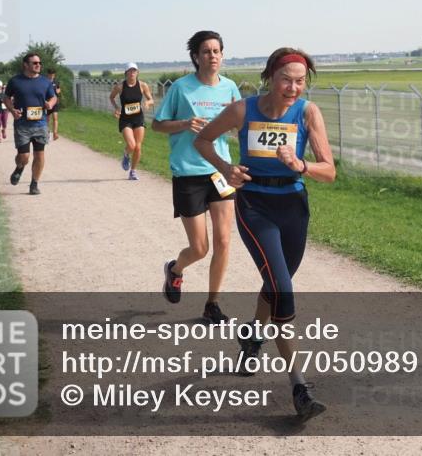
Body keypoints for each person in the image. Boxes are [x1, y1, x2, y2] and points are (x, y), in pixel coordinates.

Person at [195, 46, 336, 421]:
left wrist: (301, 164)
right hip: (255, 205)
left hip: (293, 206)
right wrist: (226, 168)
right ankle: (300, 387)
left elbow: (330, 170)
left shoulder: (308, 113)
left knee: (276, 282)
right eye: (286, 80)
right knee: (282, 290)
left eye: (300, 81)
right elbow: (202, 140)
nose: (293, 88)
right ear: (270, 78)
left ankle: (253, 336)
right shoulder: (244, 109)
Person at [151, 32, 240, 323]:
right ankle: (175, 270)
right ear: (196, 57)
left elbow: (241, 128)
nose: (212, 56)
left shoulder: (230, 88)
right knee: (200, 248)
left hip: (221, 171)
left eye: (217, 51)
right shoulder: (181, 88)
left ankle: (212, 304)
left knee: (224, 241)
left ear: (222, 55)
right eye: (206, 51)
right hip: (189, 172)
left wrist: (236, 120)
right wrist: (185, 123)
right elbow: (158, 125)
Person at [4, 53, 57, 196]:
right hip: (22, 125)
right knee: (24, 156)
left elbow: (53, 97)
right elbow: (6, 98)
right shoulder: (15, 81)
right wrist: (12, 110)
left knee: (39, 154)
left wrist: (49, 104)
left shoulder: (45, 82)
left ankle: (34, 184)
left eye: (39, 62)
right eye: (34, 63)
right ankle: (19, 168)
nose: (38, 65)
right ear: (25, 65)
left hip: (40, 124)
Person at [109, 63, 154, 181]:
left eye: (134, 70)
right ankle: (126, 154)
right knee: (132, 145)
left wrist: (147, 103)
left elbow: (151, 99)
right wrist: (117, 108)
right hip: (125, 119)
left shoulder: (142, 85)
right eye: (130, 71)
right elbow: (111, 97)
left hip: (138, 118)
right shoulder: (120, 86)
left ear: (137, 72)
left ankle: (132, 172)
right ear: (126, 73)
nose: (132, 73)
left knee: (138, 147)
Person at [46, 68, 62, 141]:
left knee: (55, 118)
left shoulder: (56, 82)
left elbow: (59, 89)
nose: (52, 76)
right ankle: (47, 132)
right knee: (47, 119)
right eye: (50, 75)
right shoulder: (45, 82)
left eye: (53, 75)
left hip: (55, 102)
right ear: (48, 75)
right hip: (48, 102)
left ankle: (55, 133)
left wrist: (57, 91)